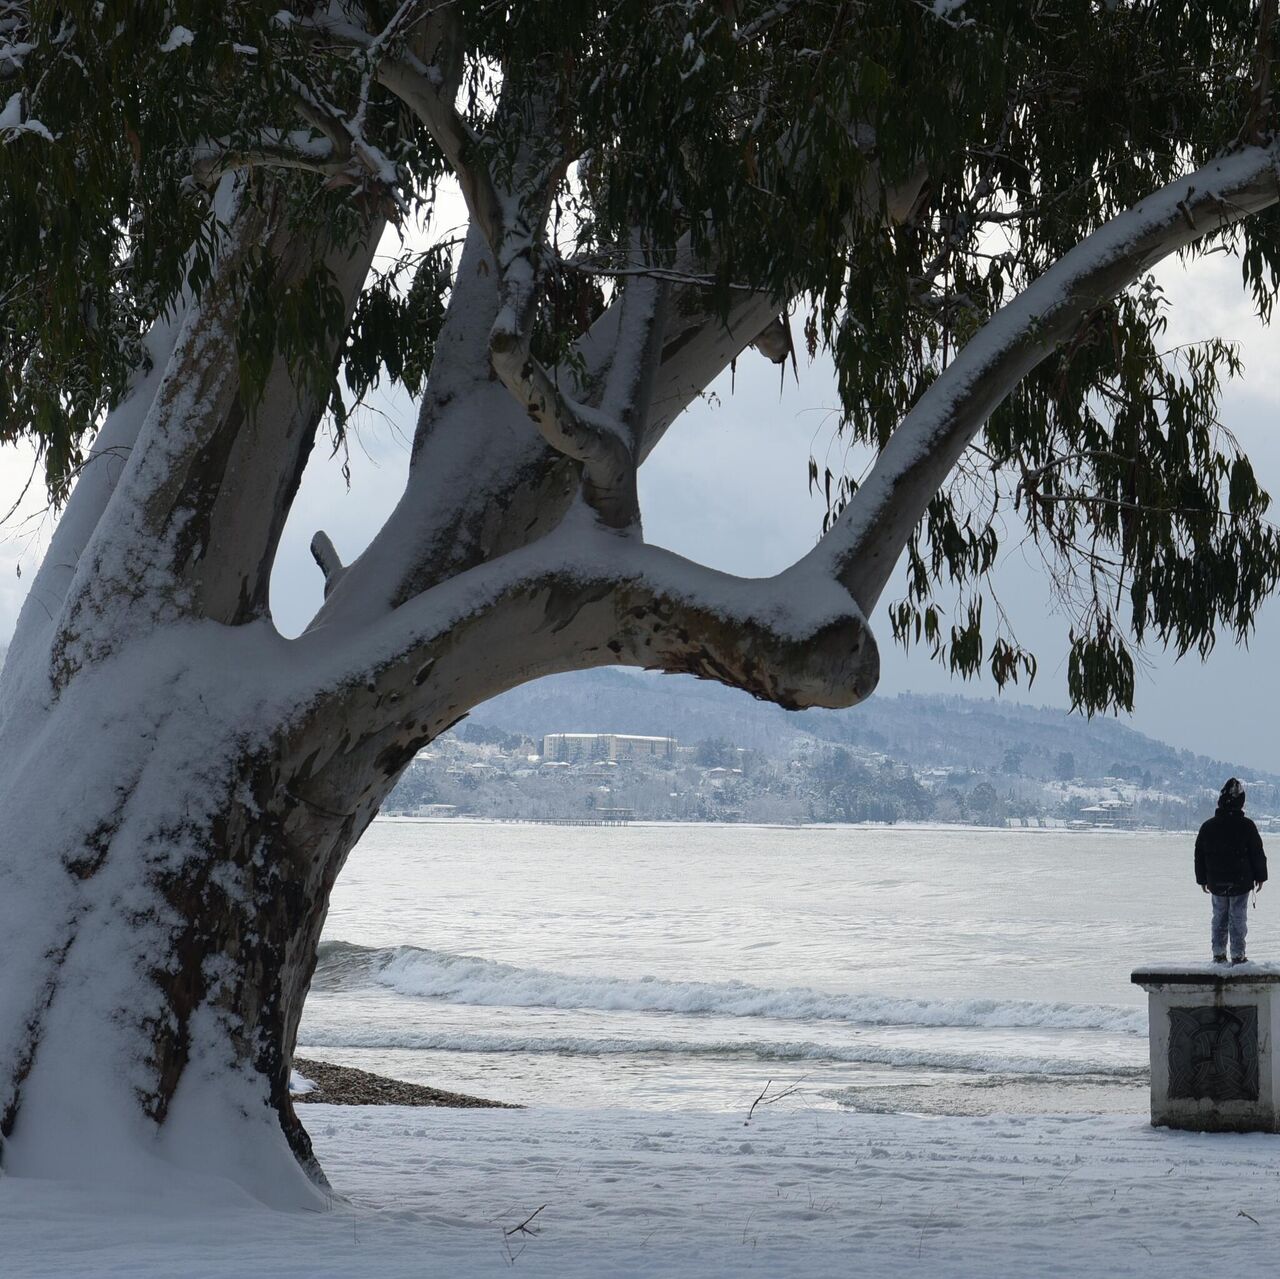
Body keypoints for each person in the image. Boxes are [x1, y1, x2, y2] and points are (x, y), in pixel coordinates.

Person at [1195, 777, 1267, 964]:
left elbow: (1199, 855)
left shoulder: (1208, 826)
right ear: (1241, 802)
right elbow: (1257, 853)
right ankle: (1238, 955)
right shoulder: (1247, 826)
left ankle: (1218, 954)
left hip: (1216, 882)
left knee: (1219, 916)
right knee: (1237, 918)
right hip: (1241, 881)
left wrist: (1202, 879)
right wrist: (1260, 876)